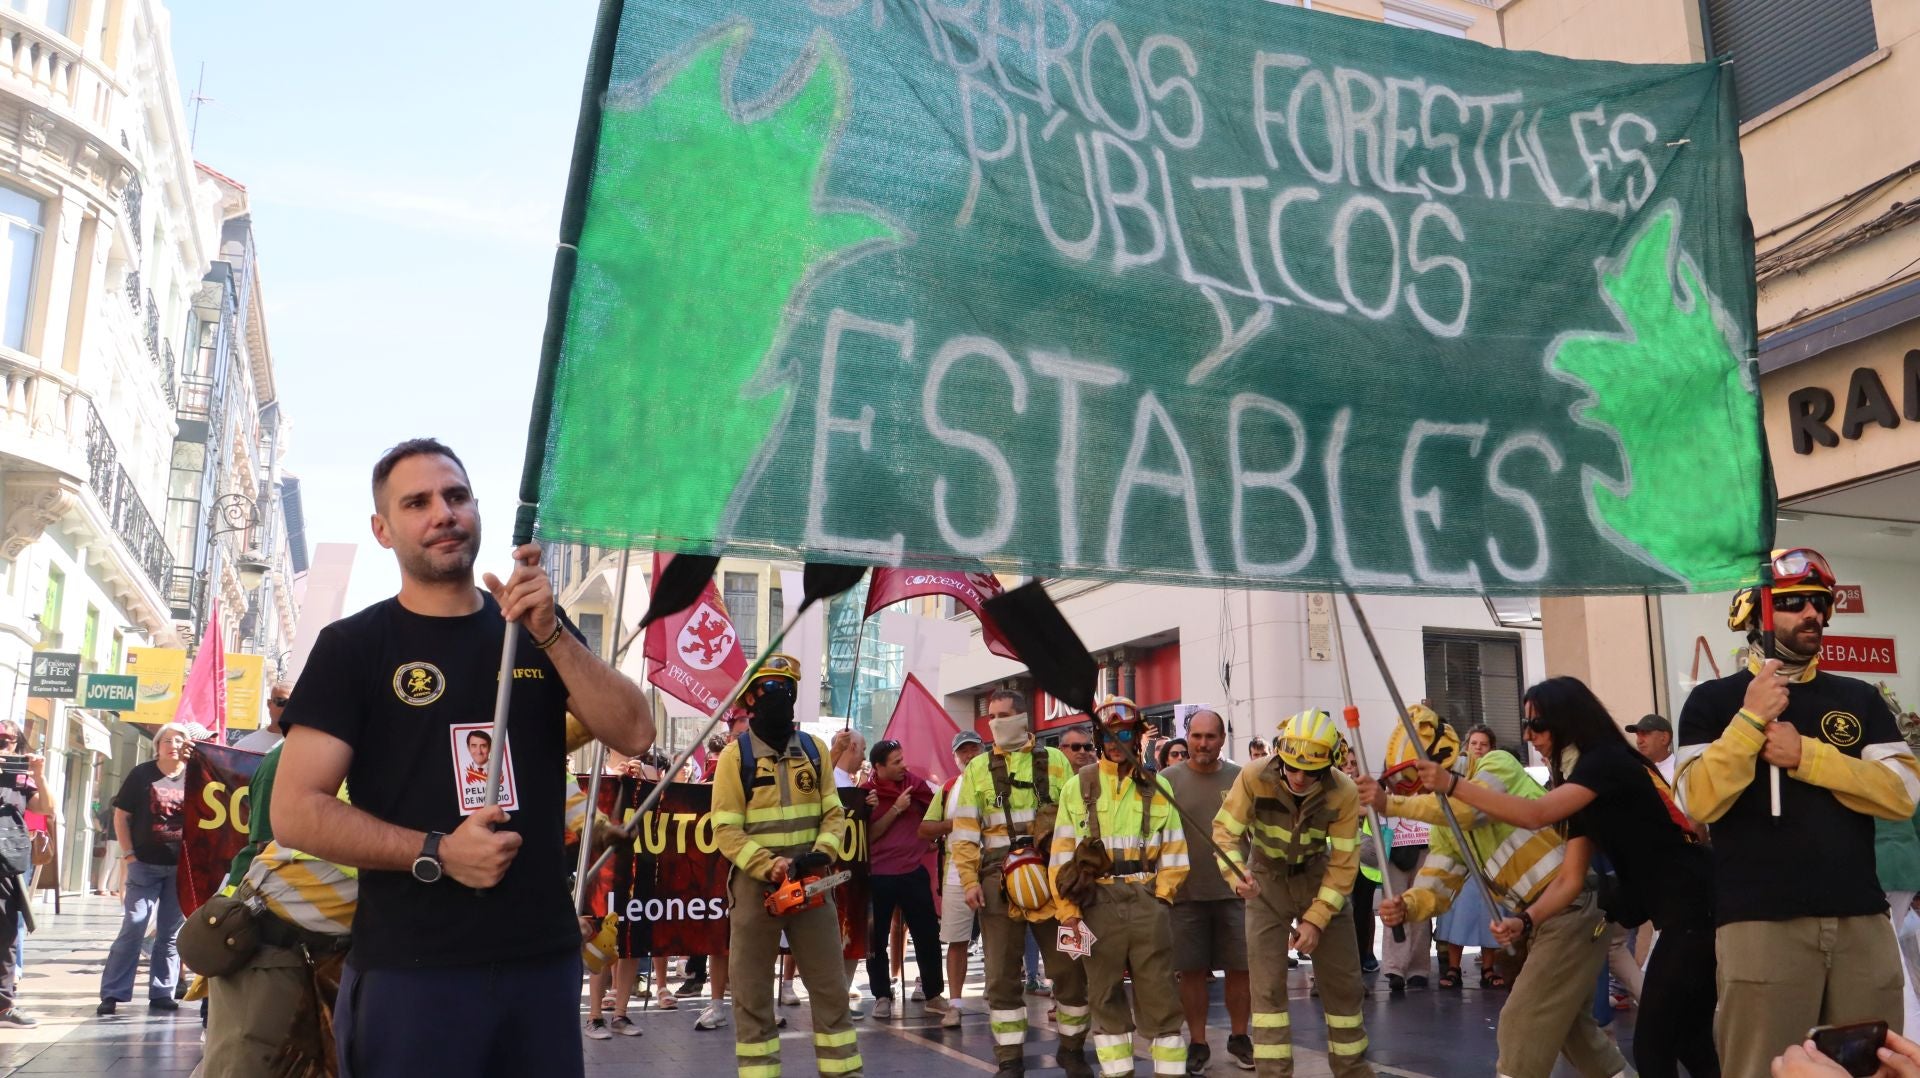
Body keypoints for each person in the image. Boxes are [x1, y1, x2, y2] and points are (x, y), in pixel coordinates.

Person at [271, 438, 653, 1078]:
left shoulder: (534, 629)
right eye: (417, 503)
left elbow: (635, 732)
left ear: (477, 508)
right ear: (383, 530)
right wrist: (438, 851)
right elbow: (296, 811)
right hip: (413, 972)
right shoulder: (353, 648)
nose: (442, 513)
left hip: (540, 963)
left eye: (455, 496)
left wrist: (552, 635)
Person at [1677, 547, 1920, 1073]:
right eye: (1792, 602)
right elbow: (1697, 800)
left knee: (1876, 1070)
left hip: (1862, 922)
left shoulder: (1861, 698)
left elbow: (1902, 793)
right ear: (1754, 613)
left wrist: (1807, 756)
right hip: (1761, 925)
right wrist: (1748, 721)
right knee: (1762, 1068)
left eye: (1819, 602)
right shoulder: (1711, 703)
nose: (1812, 613)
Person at [1411, 678, 1717, 1078]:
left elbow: (1534, 814)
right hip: (1681, 910)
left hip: (1695, 906)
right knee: (1686, 1040)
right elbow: (1571, 878)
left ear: (1566, 722)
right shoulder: (1582, 784)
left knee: (1655, 1043)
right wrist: (1526, 920)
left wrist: (1452, 785)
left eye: (1536, 725)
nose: (1528, 736)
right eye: (1526, 725)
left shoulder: (1603, 762)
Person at [1363, 705, 1623, 1078]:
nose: (1419, 789)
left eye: (1419, 779)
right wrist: (1406, 906)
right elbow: (1437, 885)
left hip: (1572, 905)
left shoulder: (1496, 765)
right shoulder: (1444, 822)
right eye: (1409, 785)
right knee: (1573, 1030)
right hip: (1542, 919)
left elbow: (1471, 809)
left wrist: (1391, 803)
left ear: (1444, 761)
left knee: (1522, 1020)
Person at [710, 653, 862, 1076]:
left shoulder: (814, 751)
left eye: (788, 691)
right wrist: (769, 865)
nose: (782, 698)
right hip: (756, 891)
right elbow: (725, 831)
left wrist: (823, 853)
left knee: (831, 991)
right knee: (752, 996)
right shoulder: (734, 758)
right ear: (752, 699)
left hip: (813, 885)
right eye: (772, 691)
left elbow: (834, 813)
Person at [1212, 711, 1369, 1078]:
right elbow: (1224, 834)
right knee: (1266, 991)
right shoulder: (1253, 776)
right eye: (1291, 767)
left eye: (1310, 771)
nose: (1298, 778)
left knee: (1345, 986)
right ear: (1280, 756)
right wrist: (1238, 876)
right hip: (1266, 875)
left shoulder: (1344, 791)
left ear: (1328, 765)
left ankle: (1353, 1071)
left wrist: (1316, 919)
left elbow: (1345, 863)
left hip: (1318, 874)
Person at [950, 690, 1091, 1078]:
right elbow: (963, 833)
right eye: (991, 716)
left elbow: (1077, 820)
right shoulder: (977, 769)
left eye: (1004, 715)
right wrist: (968, 881)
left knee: (1071, 969)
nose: (996, 722)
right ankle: (1009, 1059)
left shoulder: (1057, 760)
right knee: (1000, 976)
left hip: (1053, 876)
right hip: (996, 878)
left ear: (1024, 718)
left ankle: (1073, 1049)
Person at [202, 730, 357, 1076]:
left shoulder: (363, 753)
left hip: (319, 947)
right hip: (274, 942)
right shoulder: (291, 756)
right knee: (249, 1061)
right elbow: (266, 842)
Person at [1051, 696, 1188, 1078]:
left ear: (1138, 735)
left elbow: (1175, 852)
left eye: (1123, 733)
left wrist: (1161, 899)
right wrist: (1070, 914)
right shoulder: (1077, 788)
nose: (1115, 742)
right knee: (1104, 996)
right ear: (1099, 737)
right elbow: (1061, 858)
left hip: (1147, 898)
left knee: (1160, 996)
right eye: (1107, 734)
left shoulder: (1158, 785)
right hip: (1096, 902)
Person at [1159, 710, 1252, 1073]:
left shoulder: (1241, 778)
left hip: (1236, 893)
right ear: (1187, 736)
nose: (1202, 744)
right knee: (1191, 971)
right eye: (1196, 736)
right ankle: (1197, 1043)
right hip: (1184, 894)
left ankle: (1240, 1038)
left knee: (1241, 969)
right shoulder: (1167, 780)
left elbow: (1255, 832)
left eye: (1210, 737)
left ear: (1222, 739)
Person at [98, 721, 192, 1016]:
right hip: (144, 865)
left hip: (178, 867)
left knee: (170, 933)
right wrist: (129, 856)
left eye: (179, 741)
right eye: (168, 740)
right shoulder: (141, 774)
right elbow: (121, 816)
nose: (173, 745)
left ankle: (162, 992)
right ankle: (112, 993)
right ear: (157, 746)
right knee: (134, 924)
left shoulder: (195, 778)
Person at [861, 738, 944, 1019]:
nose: (903, 766)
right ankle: (882, 995)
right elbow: (868, 837)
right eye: (895, 762)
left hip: (912, 871)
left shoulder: (915, 785)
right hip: (878, 876)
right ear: (878, 767)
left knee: (928, 935)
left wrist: (931, 836)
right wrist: (896, 808)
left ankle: (933, 993)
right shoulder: (866, 794)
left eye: (902, 759)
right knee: (876, 940)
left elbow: (933, 812)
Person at [919, 729, 986, 1029]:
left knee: (1000, 941)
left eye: (974, 749)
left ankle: (1000, 1000)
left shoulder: (998, 782)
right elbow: (925, 829)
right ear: (955, 757)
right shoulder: (948, 788)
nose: (969, 756)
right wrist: (955, 822)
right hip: (957, 876)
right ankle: (955, 1005)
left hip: (995, 872)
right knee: (957, 941)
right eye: (964, 751)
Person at [1434, 725, 1504, 991]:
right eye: (1473, 743)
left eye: (1483, 744)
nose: (1477, 748)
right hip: (1461, 855)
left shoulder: (1496, 775)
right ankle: (1453, 968)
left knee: (1491, 913)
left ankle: (1488, 968)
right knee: (1458, 912)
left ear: (1491, 749)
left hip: (1489, 855)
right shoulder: (1454, 775)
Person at [0, 720, 48, 1027]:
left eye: (11, 741)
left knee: (6, 934)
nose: (5, 745)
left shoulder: (20, 777)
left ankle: (4, 1005)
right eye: (1, 739)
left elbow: (45, 808)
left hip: (8, 860)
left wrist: (40, 776)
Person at [233, 683, 295, 753]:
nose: (287, 708)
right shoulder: (244, 746)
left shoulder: (304, 744)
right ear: (269, 703)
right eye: (282, 702)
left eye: (293, 703)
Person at [1626, 714, 1676, 788]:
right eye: (1637, 735)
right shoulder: (1634, 771)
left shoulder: (1681, 773)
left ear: (1664, 738)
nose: (1639, 741)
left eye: (1644, 734)